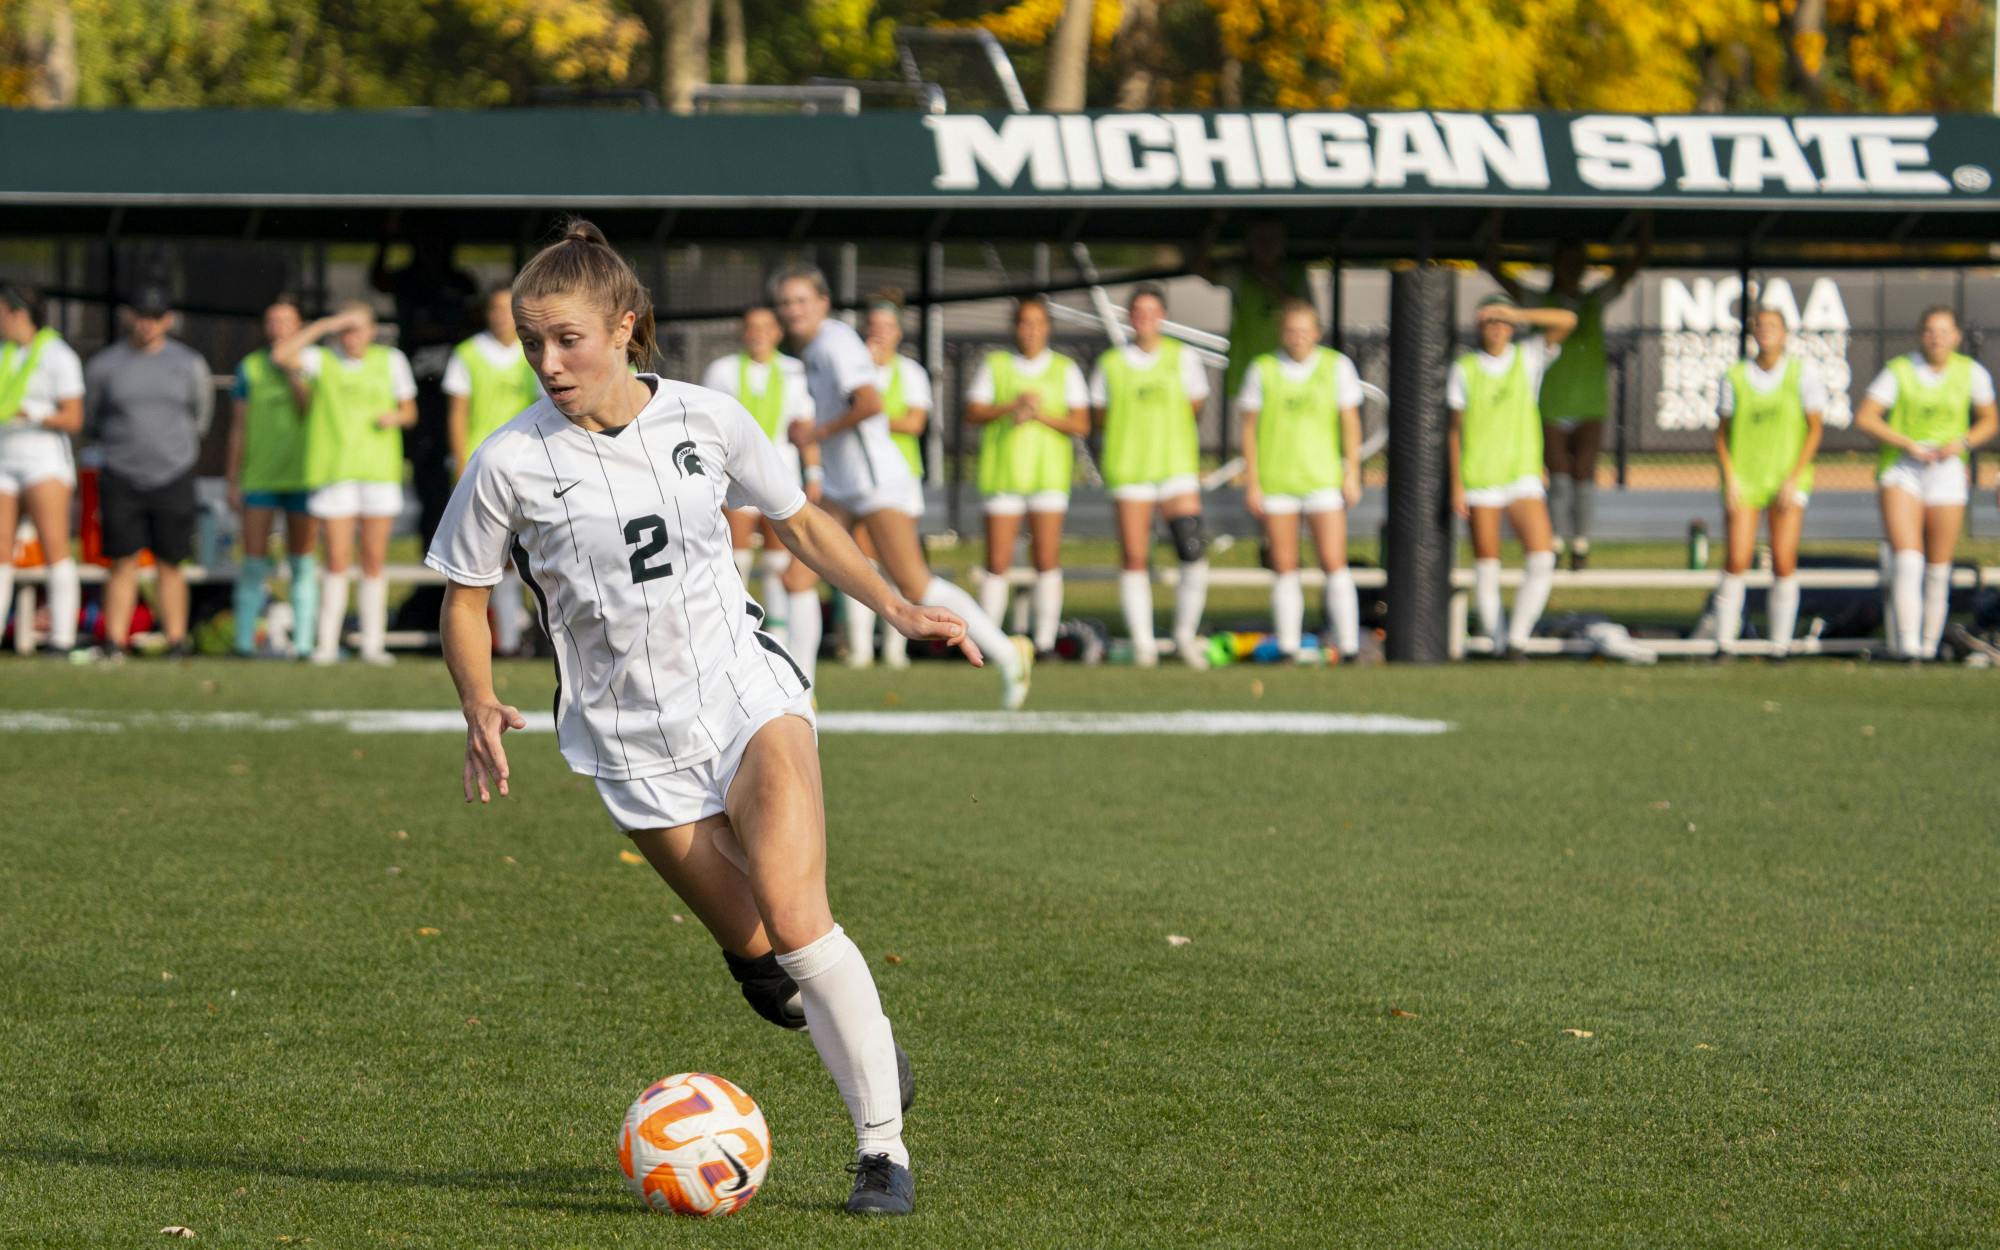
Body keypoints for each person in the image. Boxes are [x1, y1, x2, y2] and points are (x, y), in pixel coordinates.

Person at [429, 220, 963, 1215]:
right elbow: (464, 593)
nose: (547, 361)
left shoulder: (707, 419)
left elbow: (799, 520)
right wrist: (475, 698)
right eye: (531, 340)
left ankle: (881, 1149)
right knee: (770, 972)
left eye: (567, 338)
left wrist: (892, 603)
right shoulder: (507, 462)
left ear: (626, 327)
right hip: (626, 741)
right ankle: (854, 1027)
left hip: (744, 693)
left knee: (802, 921)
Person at [776, 264, 1032, 707]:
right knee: (798, 576)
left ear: (822, 303)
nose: (792, 310)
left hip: (875, 482)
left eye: (801, 300)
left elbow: (870, 404)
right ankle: (803, 694)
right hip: (844, 484)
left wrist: (814, 434)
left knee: (916, 586)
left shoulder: (835, 343)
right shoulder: (818, 345)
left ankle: (1009, 652)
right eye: (785, 302)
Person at [1484, 221, 1650, 569]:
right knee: (1557, 475)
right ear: (1556, 264)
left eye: (1579, 262)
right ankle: (1557, 539)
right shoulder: (1539, 301)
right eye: (1566, 261)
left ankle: (1581, 543)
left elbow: (1632, 268)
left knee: (1584, 474)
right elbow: (1499, 273)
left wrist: (1644, 221)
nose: (1572, 269)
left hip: (1589, 401)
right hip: (1552, 401)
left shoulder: (1593, 301)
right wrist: (1495, 221)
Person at [273, 301, 418, 665]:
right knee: (336, 559)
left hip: (378, 472)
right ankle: (326, 644)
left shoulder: (391, 360)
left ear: (372, 331)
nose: (352, 336)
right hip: (335, 472)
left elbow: (410, 411)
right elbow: (282, 355)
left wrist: (394, 417)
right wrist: (325, 322)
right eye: (347, 329)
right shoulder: (322, 360)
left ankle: (373, 643)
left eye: (359, 328)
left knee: (373, 560)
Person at [1852, 306, 1999, 660]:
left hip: (1947, 470)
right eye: (1930, 330)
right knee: (1908, 558)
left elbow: (1988, 420)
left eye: (1944, 331)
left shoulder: (1970, 372)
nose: (1937, 337)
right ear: (1921, 334)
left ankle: (1930, 645)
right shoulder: (1900, 370)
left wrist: (1960, 443)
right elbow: (1867, 417)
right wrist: (1906, 443)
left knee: (1938, 566)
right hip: (1904, 468)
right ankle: (1908, 646)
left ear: (1956, 336)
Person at [85, 285, 215, 658]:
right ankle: (114, 641)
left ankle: (177, 640)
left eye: (156, 317)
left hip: (173, 474)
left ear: (168, 320)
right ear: (130, 316)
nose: (147, 324)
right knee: (121, 562)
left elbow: (200, 418)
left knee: (171, 563)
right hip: (121, 475)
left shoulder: (189, 363)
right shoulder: (105, 365)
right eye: (141, 316)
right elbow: (93, 419)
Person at [1089, 285, 1213, 668]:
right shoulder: (1111, 362)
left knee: (1191, 547)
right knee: (1134, 556)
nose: (1144, 318)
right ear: (1129, 316)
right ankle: (1144, 644)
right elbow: (1099, 414)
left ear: (1162, 315)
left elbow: (1196, 404)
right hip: (1130, 468)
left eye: (1151, 311)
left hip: (1174, 465)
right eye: (1138, 311)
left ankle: (1184, 635)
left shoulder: (1182, 357)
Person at [1447, 294, 1577, 656]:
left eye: (1502, 321)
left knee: (1541, 557)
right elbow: (1454, 430)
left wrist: (1516, 312)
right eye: (1490, 321)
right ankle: (1498, 638)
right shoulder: (1466, 369)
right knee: (1487, 563)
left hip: (1521, 473)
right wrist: (1457, 483)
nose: (1497, 328)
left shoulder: (1528, 356)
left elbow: (1566, 319)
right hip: (1481, 476)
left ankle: (1518, 637)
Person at [1237, 298, 1364, 662]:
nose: (1298, 338)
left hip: (1322, 479)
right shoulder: (1262, 369)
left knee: (1334, 561)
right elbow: (1249, 429)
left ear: (1317, 333)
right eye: (1291, 331)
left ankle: (1350, 646)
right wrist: (1253, 481)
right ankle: (1289, 646)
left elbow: (1350, 422)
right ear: (1282, 333)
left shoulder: (1336, 366)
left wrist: (1351, 470)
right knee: (1284, 564)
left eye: (1304, 331)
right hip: (1278, 481)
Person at [699, 306, 823, 669]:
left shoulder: (794, 371)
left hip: (781, 473)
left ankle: (778, 631)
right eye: (751, 328)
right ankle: (734, 627)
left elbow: (804, 425)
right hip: (731, 475)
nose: (758, 334)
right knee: (735, 555)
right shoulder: (722, 370)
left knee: (778, 558)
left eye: (765, 328)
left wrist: (814, 473)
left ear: (777, 333)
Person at [964, 295, 1088, 655]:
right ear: (1015, 327)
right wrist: (1012, 406)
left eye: (1038, 323)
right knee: (997, 561)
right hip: (1004, 476)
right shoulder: (997, 365)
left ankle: (1045, 641)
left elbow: (1079, 423)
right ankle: (989, 642)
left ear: (1047, 328)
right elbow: (974, 412)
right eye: (1024, 323)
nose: (1031, 331)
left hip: (1047, 476)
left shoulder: (1065, 368)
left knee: (1046, 558)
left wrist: (1038, 413)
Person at [1712, 306, 1826, 660]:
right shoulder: (1734, 376)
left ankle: (1779, 644)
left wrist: (1793, 478)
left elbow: (1815, 428)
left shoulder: (1801, 374)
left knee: (1784, 559)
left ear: (1785, 333)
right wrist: (1730, 477)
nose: (1766, 332)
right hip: (1745, 479)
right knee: (1737, 557)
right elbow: (1722, 432)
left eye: (1773, 326)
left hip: (1786, 480)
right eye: (1760, 326)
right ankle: (1724, 642)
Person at [445, 285, 545, 657]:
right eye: (496, 308)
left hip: (529, 465)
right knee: (494, 559)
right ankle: (507, 640)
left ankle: (541, 637)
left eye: (509, 308)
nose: (502, 315)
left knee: (539, 552)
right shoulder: (468, 354)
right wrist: (460, 464)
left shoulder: (535, 349)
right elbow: (457, 413)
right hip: (485, 467)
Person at [226, 296, 319, 659]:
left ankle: (304, 644)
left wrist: (293, 371)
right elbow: (238, 426)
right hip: (260, 477)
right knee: (253, 559)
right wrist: (233, 479)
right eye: (273, 321)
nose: (279, 328)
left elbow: (308, 408)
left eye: (286, 321)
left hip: (303, 477)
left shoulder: (314, 365)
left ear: (299, 327)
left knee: (302, 560)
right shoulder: (249, 368)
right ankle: (243, 641)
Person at [850, 293, 933, 669]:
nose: (880, 334)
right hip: (859, 476)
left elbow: (915, 422)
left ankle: (896, 647)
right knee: (860, 559)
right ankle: (861, 648)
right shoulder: (854, 371)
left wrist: (870, 415)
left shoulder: (911, 372)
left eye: (887, 327)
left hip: (899, 479)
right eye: (874, 327)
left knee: (899, 562)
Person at [0, 284, 84, 653]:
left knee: (55, 548)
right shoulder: (3, 354)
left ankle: (61, 637)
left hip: (44, 461)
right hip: (4, 459)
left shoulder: (57, 355)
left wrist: (33, 413)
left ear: (18, 313)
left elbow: (73, 417)